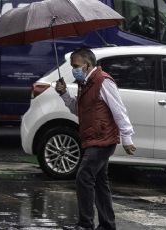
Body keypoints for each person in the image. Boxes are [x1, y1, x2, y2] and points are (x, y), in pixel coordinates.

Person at [55, 48, 136, 230]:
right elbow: (79, 110)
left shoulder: (103, 81)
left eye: (75, 66)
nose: (73, 69)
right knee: (99, 182)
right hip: (93, 138)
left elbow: (119, 110)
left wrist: (127, 137)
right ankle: (107, 225)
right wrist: (64, 94)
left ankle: (85, 224)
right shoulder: (85, 83)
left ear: (87, 65)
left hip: (103, 139)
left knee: (84, 176)